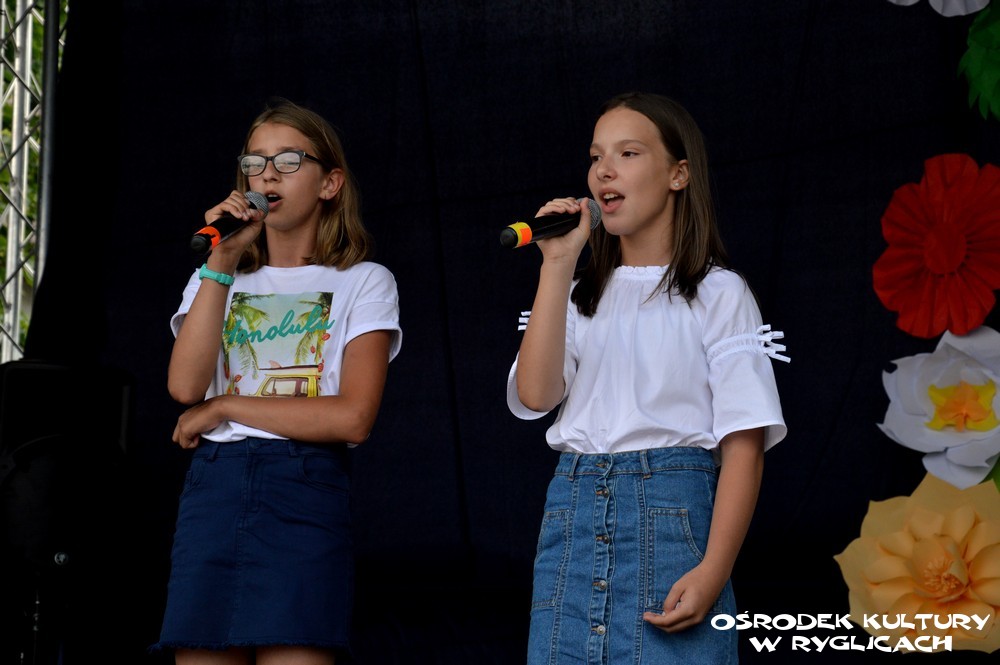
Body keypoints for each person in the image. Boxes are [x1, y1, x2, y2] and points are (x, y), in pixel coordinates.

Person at [506, 91, 788, 664]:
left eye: (628, 153)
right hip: (573, 518)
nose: (604, 170)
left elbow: (744, 445)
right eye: (595, 156)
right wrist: (557, 265)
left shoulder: (718, 293)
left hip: (670, 522)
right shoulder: (576, 295)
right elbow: (536, 396)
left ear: (678, 174)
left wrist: (713, 570)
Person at [152, 98, 402, 665]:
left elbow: (352, 418)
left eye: (289, 161)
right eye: (255, 162)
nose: (267, 175)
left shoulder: (364, 281)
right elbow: (186, 388)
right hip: (215, 487)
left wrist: (225, 408)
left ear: (329, 183)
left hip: (303, 487)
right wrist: (222, 262)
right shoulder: (215, 277)